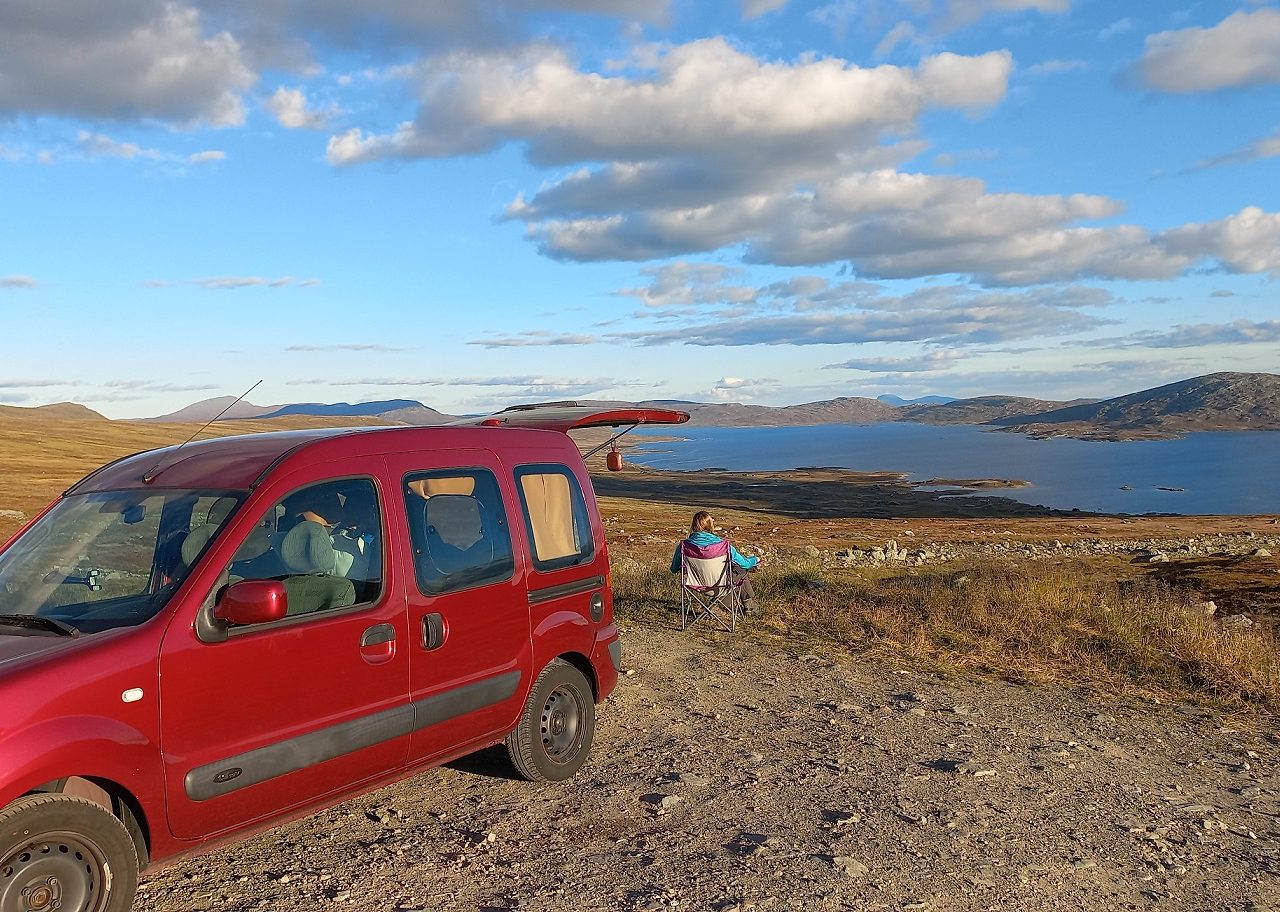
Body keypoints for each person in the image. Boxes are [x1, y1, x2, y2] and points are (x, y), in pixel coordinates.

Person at [670, 510, 761, 612]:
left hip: (695, 586)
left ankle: (718, 604)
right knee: (741, 570)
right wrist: (755, 560)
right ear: (710, 526)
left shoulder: (684, 546)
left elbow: (673, 569)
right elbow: (745, 563)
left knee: (736, 571)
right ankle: (748, 605)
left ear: (693, 526)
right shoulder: (723, 546)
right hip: (721, 585)